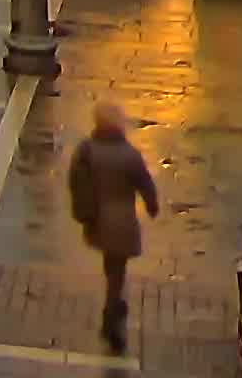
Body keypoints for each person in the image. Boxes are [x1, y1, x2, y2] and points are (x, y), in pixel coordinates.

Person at [66, 102, 159, 354]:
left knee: (112, 266)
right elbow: (145, 183)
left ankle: (114, 307)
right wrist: (152, 206)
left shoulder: (86, 150)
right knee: (117, 270)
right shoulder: (129, 155)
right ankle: (112, 312)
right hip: (123, 221)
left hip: (98, 219)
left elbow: (75, 180)